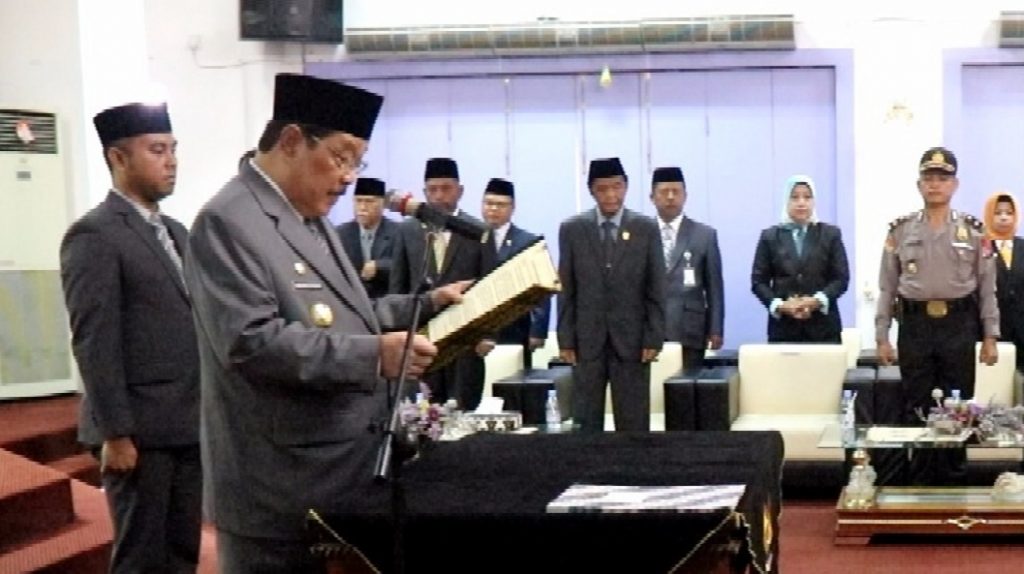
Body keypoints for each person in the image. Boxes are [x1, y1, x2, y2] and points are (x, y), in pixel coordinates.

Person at [184, 73, 467, 572]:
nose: (350, 177)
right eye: (341, 157)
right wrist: (375, 356)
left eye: (359, 162)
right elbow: (252, 342)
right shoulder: (229, 221)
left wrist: (426, 304)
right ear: (292, 141)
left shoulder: (308, 216)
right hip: (280, 489)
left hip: (339, 475)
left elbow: (348, 315)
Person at [60, 102, 202, 573]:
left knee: (182, 552)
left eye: (173, 149)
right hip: (139, 432)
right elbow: (94, 340)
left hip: (186, 422)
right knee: (142, 557)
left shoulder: (176, 232)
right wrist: (116, 432)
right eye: (157, 150)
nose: (171, 161)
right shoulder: (95, 234)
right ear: (118, 158)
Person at [875, 147, 999, 485]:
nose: (935, 184)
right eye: (928, 178)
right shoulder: (900, 231)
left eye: (942, 179)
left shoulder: (974, 231)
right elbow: (887, 286)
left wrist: (990, 336)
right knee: (916, 405)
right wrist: (882, 335)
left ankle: (953, 483)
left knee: (957, 407)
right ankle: (919, 485)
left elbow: (987, 287)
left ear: (954, 185)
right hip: (915, 326)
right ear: (919, 185)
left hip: (959, 326)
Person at [557, 157, 665, 432]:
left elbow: (655, 287)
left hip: (633, 341)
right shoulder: (572, 229)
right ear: (592, 191)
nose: (610, 195)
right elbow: (566, 288)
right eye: (602, 189)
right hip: (587, 342)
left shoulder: (645, 228)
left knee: (633, 422)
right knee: (586, 422)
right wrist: (566, 339)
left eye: (616, 187)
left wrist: (654, 337)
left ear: (626, 187)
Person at [389, 158, 495, 409]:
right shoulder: (407, 230)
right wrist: (397, 334)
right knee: (421, 415)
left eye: (446, 189)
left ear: (460, 191)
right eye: (432, 190)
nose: (438, 196)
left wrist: (487, 334)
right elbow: (398, 287)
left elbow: (490, 285)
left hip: (465, 340)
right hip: (421, 340)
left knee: (462, 412)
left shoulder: (478, 231)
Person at [751, 175, 850, 343]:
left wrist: (816, 301)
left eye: (807, 197)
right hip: (783, 329)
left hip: (824, 329)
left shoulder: (830, 234)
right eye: (795, 197)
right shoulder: (770, 236)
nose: (801, 202)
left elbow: (841, 279)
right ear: (786, 201)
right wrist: (781, 305)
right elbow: (758, 282)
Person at [650, 167, 724, 373]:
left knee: (686, 386)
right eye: (664, 192)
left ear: (685, 196)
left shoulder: (704, 235)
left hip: (690, 329)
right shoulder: (641, 233)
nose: (670, 197)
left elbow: (715, 288)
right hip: (649, 331)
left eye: (676, 191)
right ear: (652, 197)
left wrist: (716, 328)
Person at [480, 177, 551, 370]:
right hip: (478, 330)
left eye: (501, 205)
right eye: (489, 203)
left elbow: (542, 289)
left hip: (516, 328)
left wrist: (537, 331)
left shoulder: (527, 242)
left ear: (512, 208)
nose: (493, 209)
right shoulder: (471, 238)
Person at [336, 177, 397, 299]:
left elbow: (404, 267)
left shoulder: (397, 232)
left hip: (386, 301)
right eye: (358, 201)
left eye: (369, 202)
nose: (362, 207)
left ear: (382, 204)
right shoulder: (340, 233)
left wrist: (379, 267)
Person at [984, 191, 1024, 371]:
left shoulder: (1022, 246)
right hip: (993, 332)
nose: (1004, 217)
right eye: (998, 213)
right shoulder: (981, 248)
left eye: (1009, 213)